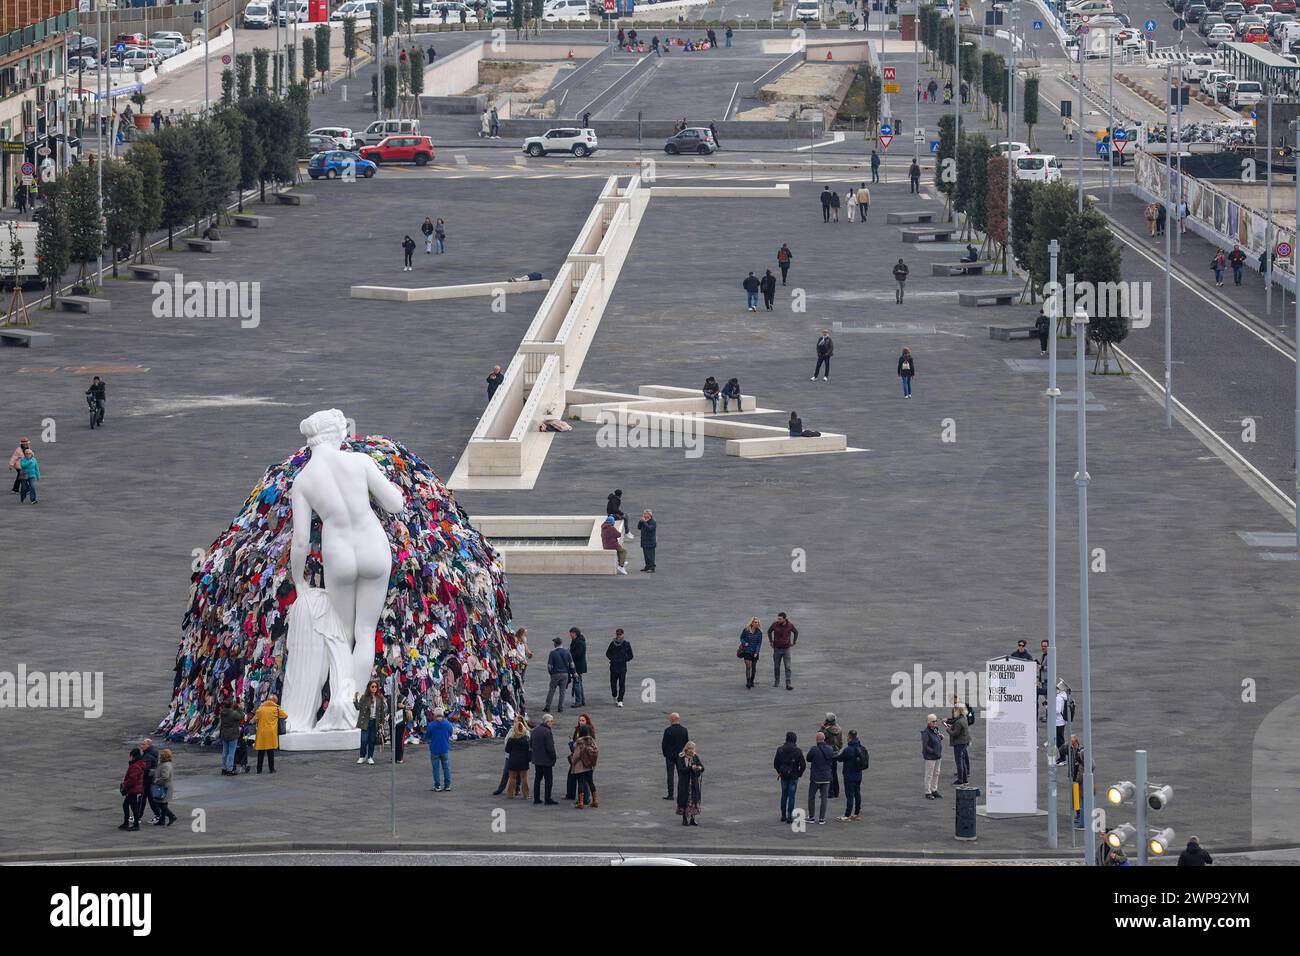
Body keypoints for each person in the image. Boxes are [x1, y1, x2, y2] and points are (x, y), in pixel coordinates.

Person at [774, 731, 806, 823]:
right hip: (793, 776)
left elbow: (776, 763)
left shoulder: (780, 749)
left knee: (784, 795)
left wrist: (779, 771)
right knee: (792, 796)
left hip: (783, 775)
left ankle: (783, 815)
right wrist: (799, 774)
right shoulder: (798, 751)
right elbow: (803, 765)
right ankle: (790, 816)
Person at [835, 730, 868, 821]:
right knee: (857, 793)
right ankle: (856, 813)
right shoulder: (861, 748)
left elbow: (840, 759)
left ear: (849, 737)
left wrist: (836, 754)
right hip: (858, 774)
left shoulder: (848, 749)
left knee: (849, 795)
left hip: (849, 775)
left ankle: (847, 814)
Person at [355, 679, 387, 765]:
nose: (374, 688)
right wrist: (355, 700)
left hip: (375, 722)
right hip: (366, 721)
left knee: (372, 740)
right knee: (364, 740)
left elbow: (382, 712)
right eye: (372, 686)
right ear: (369, 688)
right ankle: (362, 756)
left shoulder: (379, 698)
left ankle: (370, 757)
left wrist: (381, 723)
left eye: (376, 687)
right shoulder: (364, 697)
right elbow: (358, 707)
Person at [805, 731, 834, 825]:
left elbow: (808, 758)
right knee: (824, 798)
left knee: (811, 797)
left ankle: (812, 817)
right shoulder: (830, 749)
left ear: (817, 740)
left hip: (815, 778)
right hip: (826, 777)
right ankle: (822, 818)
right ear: (824, 739)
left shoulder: (814, 749)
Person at [253, 694, 287, 774]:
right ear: (275, 701)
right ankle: (271, 769)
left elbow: (255, 719)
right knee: (270, 752)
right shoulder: (276, 709)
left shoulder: (260, 708)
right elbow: (285, 716)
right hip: (271, 732)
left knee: (260, 752)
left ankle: (259, 769)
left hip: (261, 732)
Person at [530, 714, 559, 804]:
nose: (552, 723)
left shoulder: (534, 731)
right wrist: (554, 757)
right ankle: (548, 798)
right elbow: (550, 748)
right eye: (551, 721)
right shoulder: (547, 732)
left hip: (537, 759)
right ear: (547, 722)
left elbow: (530, 744)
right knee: (548, 780)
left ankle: (536, 798)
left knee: (537, 779)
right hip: (546, 760)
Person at [544, 636, 576, 713]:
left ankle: (547, 707)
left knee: (551, 690)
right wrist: (573, 672)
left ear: (555, 644)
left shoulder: (552, 653)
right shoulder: (567, 652)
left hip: (555, 674)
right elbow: (571, 664)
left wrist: (551, 673)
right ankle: (560, 707)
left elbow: (549, 666)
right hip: (565, 674)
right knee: (562, 692)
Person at [661, 712, 689, 799]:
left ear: (672, 720)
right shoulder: (684, 730)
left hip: (670, 756)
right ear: (678, 719)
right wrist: (685, 754)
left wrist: (666, 754)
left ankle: (670, 794)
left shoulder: (668, 730)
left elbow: (664, 744)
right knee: (681, 775)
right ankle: (682, 794)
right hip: (680, 756)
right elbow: (686, 744)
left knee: (670, 775)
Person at [571, 722, 599, 808]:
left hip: (581, 766)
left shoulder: (579, 742)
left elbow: (576, 755)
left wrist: (572, 761)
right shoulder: (591, 741)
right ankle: (595, 800)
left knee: (581, 783)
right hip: (589, 766)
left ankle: (581, 802)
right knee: (591, 782)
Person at [426, 707, 454, 792]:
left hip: (434, 749)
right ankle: (447, 785)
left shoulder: (431, 725)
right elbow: (450, 733)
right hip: (445, 748)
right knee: (446, 767)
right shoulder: (447, 724)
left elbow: (427, 736)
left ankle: (437, 786)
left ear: (434, 715)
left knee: (436, 768)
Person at [767, 612, 798, 690]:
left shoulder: (790, 625)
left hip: (786, 649)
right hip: (777, 649)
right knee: (776, 666)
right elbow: (769, 631)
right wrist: (771, 641)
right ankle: (777, 681)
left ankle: (788, 683)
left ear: (784, 619)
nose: (778, 620)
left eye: (780, 619)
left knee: (787, 666)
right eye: (778, 618)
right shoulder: (774, 624)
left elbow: (796, 632)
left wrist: (794, 642)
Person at [676, 741, 704, 826]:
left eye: (693, 749)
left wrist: (699, 768)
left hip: (693, 782)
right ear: (686, 749)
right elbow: (680, 769)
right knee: (684, 800)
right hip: (684, 782)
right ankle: (684, 818)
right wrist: (690, 768)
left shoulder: (695, 756)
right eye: (690, 749)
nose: (692, 751)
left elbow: (702, 766)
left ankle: (692, 818)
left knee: (693, 800)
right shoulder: (681, 757)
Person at [503, 717, 531, 799]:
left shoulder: (511, 740)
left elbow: (507, 750)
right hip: (523, 761)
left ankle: (510, 794)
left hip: (513, 760)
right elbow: (528, 750)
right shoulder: (526, 740)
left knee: (512, 778)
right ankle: (525, 794)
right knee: (524, 778)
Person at [119, 748, 146, 831]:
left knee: (132, 807)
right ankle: (128, 823)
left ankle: (134, 824)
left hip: (133, 790)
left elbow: (132, 780)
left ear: (133, 756)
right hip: (135, 789)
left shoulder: (134, 766)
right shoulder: (139, 764)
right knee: (128, 805)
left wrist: (125, 785)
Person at [606, 628, 633, 706]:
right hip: (613, 667)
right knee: (613, 684)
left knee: (622, 684)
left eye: (620, 634)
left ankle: (620, 700)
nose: (618, 636)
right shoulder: (612, 643)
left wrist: (624, 659)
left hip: (622, 668)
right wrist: (613, 659)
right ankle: (614, 695)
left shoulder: (626, 644)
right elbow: (607, 653)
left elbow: (631, 655)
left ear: (623, 635)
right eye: (617, 634)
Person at [945, 702, 971, 785]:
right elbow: (955, 723)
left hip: (959, 743)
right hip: (964, 742)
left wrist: (947, 729)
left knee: (959, 762)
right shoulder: (963, 718)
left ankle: (960, 780)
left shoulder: (959, 722)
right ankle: (965, 779)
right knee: (962, 761)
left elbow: (954, 733)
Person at [218, 696, 244, 776]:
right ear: (231, 705)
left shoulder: (222, 712)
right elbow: (242, 717)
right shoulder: (233, 714)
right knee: (232, 752)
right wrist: (239, 708)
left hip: (224, 734)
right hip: (233, 734)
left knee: (225, 752)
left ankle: (223, 768)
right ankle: (230, 769)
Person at [820, 713, 843, 799]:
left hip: (828, 753)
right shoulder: (839, 729)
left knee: (828, 772)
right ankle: (836, 791)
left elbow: (819, 736)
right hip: (835, 753)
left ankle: (830, 791)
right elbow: (841, 743)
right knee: (834, 772)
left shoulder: (826, 731)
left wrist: (822, 727)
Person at [922, 714, 944, 800]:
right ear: (929, 722)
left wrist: (940, 737)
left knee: (936, 773)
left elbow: (936, 739)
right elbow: (925, 745)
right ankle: (928, 792)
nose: (935, 723)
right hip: (930, 757)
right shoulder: (926, 733)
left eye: (936, 721)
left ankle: (934, 789)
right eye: (933, 721)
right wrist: (933, 751)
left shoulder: (935, 730)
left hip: (938, 756)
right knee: (929, 774)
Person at [153, 749, 177, 826]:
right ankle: (162, 820)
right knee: (163, 803)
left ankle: (171, 816)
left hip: (164, 787)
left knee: (160, 804)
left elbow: (165, 777)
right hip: (165, 786)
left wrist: (156, 781)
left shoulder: (165, 765)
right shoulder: (166, 764)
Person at [139, 738, 161, 823]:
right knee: (149, 799)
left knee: (143, 799)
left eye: (143, 744)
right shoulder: (152, 753)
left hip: (146, 781)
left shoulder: (147, 756)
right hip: (150, 780)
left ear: (148, 745)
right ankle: (158, 815)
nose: (141, 746)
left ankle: (138, 816)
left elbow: (146, 769)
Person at [739, 617, 763, 688]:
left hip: (755, 651)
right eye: (755, 622)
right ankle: (748, 682)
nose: (757, 624)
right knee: (748, 666)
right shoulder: (746, 630)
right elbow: (741, 637)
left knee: (753, 667)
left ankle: (752, 681)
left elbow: (759, 643)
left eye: (758, 622)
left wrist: (757, 652)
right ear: (752, 623)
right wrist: (744, 643)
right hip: (747, 650)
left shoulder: (759, 632)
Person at [569, 627, 588, 707]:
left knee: (577, 683)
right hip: (579, 665)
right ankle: (582, 700)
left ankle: (579, 701)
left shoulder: (579, 643)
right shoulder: (577, 641)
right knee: (579, 682)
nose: (570, 635)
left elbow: (577, 654)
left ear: (575, 633)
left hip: (578, 666)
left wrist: (569, 655)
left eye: (571, 634)